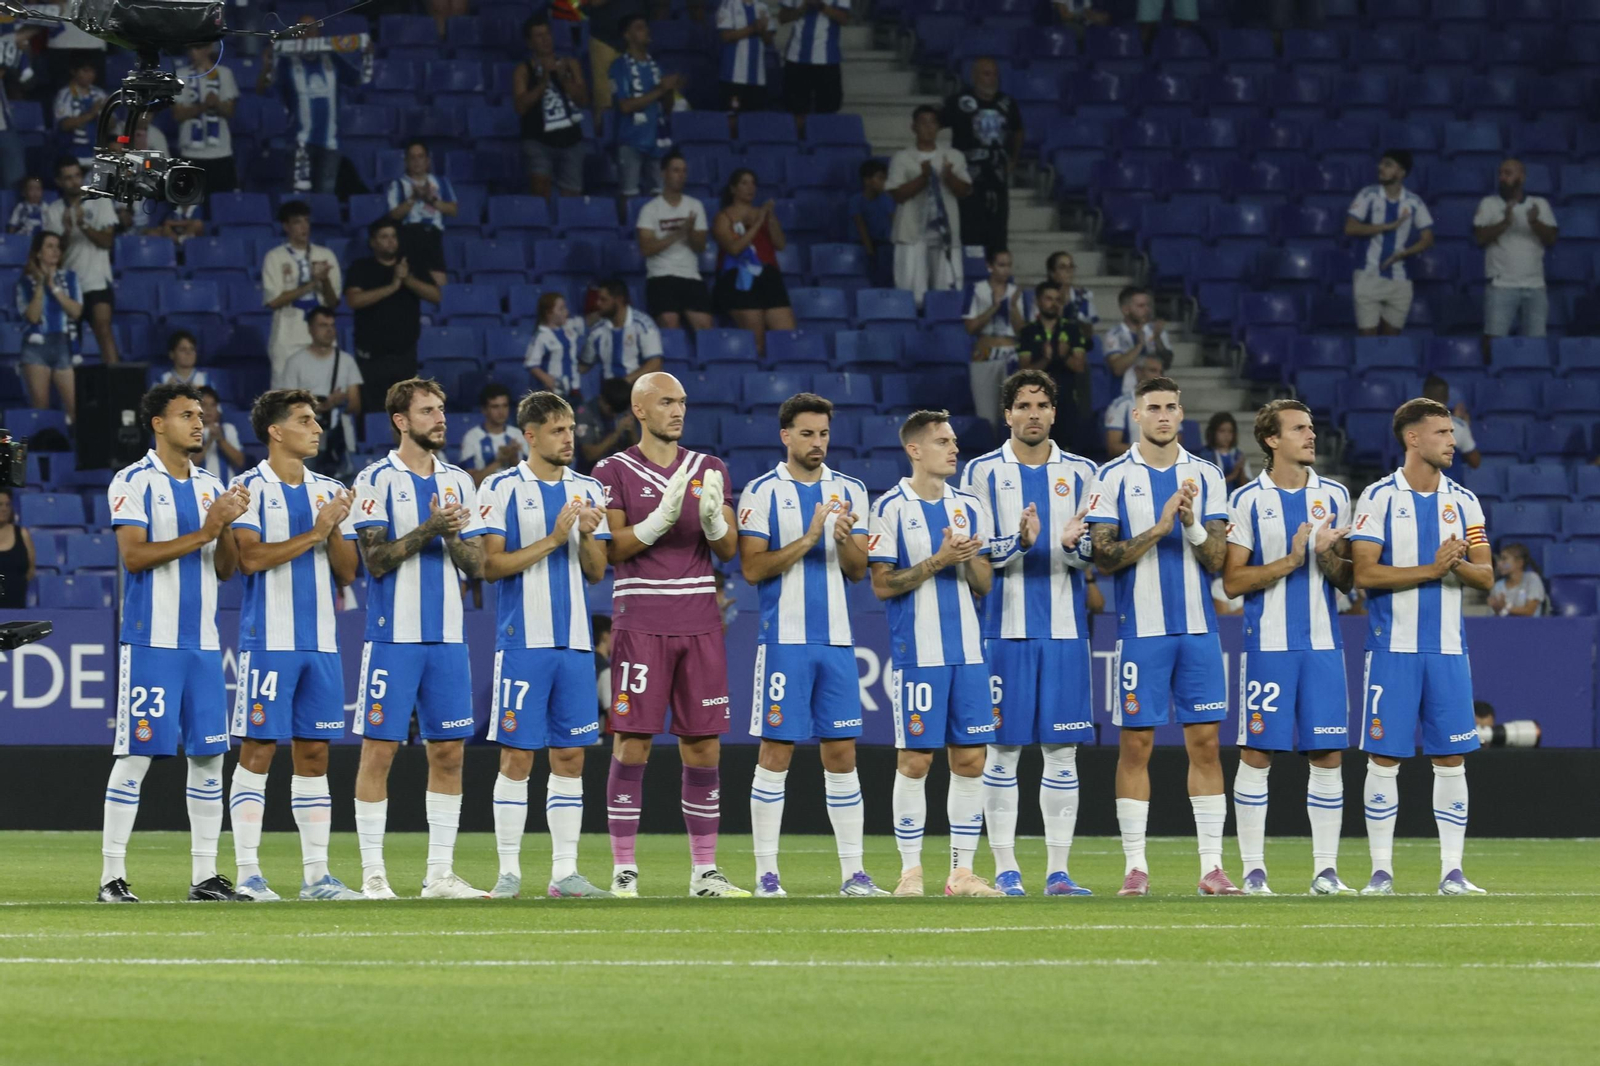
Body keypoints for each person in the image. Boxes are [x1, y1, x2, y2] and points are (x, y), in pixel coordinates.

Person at [590, 371, 747, 898]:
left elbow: (730, 554)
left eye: (682, 402)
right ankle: (623, 870)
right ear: (639, 410)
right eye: (665, 402)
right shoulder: (611, 469)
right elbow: (610, 549)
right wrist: (658, 521)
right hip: (640, 622)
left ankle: (705, 871)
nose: (678, 411)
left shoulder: (710, 467)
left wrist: (715, 523)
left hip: (700, 621)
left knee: (703, 747)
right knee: (632, 744)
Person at [98, 382, 251, 903]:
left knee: (209, 759)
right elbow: (134, 557)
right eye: (186, 414)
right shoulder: (133, 480)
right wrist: (208, 530)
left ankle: (205, 877)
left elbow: (228, 570)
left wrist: (225, 527)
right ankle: (111, 878)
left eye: (201, 414)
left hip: (203, 646)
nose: (199, 422)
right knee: (137, 756)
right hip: (152, 642)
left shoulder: (212, 485)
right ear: (158, 424)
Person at [1086, 375, 1238, 897]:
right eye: (1153, 408)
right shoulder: (1110, 478)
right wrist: (1159, 525)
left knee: (1206, 744)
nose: (1164, 416)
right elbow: (1104, 557)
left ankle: (1213, 868)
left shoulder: (1207, 474)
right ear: (1136, 415)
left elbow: (1217, 559)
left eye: (1172, 407)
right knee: (1137, 746)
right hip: (1141, 632)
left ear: (1182, 411)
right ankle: (1135, 867)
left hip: (1198, 630)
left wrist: (1192, 525)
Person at [736, 392, 888, 898]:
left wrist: (844, 537)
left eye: (823, 433)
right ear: (785, 436)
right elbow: (753, 568)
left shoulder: (851, 490)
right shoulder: (760, 493)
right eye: (807, 433)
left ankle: (854, 874)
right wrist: (810, 535)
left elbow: (857, 571)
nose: (817, 442)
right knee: (776, 751)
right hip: (785, 641)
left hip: (837, 643)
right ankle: (765, 873)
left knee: (842, 753)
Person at [960, 370, 1099, 896]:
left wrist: (1070, 546)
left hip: (1065, 631)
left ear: (1054, 413)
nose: (1034, 413)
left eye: (1043, 404)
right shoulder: (981, 473)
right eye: (1024, 405)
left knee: (1062, 753)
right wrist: (1017, 541)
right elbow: (971, 552)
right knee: (1005, 750)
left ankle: (1058, 871)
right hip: (1002, 629)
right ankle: (1006, 868)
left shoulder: (1085, 472)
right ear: (1008, 414)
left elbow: (1096, 554)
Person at [350, 379, 489, 900]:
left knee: (449, 752)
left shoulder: (460, 481)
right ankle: (373, 874)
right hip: (394, 637)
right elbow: (376, 560)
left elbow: (477, 565)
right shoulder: (375, 479)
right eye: (429, 410)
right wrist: (431, 527)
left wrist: (453, 535)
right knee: (379, 751)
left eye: (442, 408)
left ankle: (439, 875)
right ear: (401, 421)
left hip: (449, 639)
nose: (441, 418)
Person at [1349, 397, 1493, 895]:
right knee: (1384, 759)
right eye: (1442, 433)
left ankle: (1452, 871)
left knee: (1452, 759)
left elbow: (1487, 577)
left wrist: (1454, 565)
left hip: (1450, 651)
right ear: (1413, 438)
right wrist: (1430, 570)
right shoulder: (1378, 497)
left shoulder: (1465, 502)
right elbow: (1364, 572)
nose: (1453, 441)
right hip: (1393, 650)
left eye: (1452, 433)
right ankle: (1380, 872)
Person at [225, 389, 363, 902]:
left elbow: (347, 572)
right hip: (270, 641)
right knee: (258, 749)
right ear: (276, 432)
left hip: (321, 644)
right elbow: (251, 559)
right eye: (305, 420)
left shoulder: (331, 489)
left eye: (317, 420)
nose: (317, 428)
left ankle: (316, 877)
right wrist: (318, 530)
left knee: (314, 755)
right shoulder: (247, 488)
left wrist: (331, 530)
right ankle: (248, 874)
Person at [478, 390, 615, 899]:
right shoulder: (501, 488)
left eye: (572, 429)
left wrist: (583, 536)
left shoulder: (588, 489)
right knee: (517, 758)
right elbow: (491, 566)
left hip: (576, 645)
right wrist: (555, 539)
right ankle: (509, 872)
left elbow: (598, 572)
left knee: (571, 759)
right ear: (530, 435)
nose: (569, 438)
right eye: (558, 430)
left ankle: (565, 873)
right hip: (523, 643)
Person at [1221, 399, 1358, 896]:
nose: (1311, 435)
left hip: (1324, 645)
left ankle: (1326, 871)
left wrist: (1326, 558)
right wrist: (1292, 558)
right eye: (1299, 428)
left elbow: (1349, 580)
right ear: (1272, 440)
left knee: (1327, 754)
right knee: (1258, 752)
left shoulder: (1338, 496)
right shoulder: (1248, 501)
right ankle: (1254, 871)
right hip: (1270, 647)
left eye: (1312, 426)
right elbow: (1233, 582)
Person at [868, 409, 1002, 897]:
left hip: (968, 651)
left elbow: (986, 583)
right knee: (916, 761)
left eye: (954, 440)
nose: (954, 449)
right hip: (918, 652)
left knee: (970, 761)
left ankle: (961, 873)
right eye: (943, 441)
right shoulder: (888, 508)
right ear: (914, 450)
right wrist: (939, 560)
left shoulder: (970, 505)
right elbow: (883, 585)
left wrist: (966, 562)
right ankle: (910, 872)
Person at [257, 21, 374, 194]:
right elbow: (263, 89)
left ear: (319, 34)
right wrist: (267, 65)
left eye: (312, 29)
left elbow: (360, 80)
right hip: (299, 144)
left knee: (325, 197)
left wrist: (367, 56)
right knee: (297, 195)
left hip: (330, 143)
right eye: (302, 29)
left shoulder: (332, 58)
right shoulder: (286, 63)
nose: (307, 33)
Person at [345, 217, 439, 417]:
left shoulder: (410, 265)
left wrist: (407, 279)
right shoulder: (361, 267)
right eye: (384, 237)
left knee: (405, 414)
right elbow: (354, 300)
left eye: (393, 236)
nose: (390, 241)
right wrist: (393, 286)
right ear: (373, 242)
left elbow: (435, 295)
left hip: (404, 356)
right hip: (371, 358)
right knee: (373, 413)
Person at [1475, 158, 1559, 360]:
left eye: (1508, 173)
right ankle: (1492, 379)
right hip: (1501, 284)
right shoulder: (1489, 204)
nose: (1502, 177)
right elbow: (1479, 238)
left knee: (1536, 344)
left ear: (1522, 177)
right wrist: (1505, 221)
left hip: (1535, 285)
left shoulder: (1539, 204)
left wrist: (1534, 222)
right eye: (1501, 173)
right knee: (1493, 342)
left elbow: (1551, 239)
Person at [940, 57, 1023, 259]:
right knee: (970, 231)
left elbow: (1018, 131)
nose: (991, 78)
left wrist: (1013, 160)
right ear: (974, 76)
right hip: (967, 181)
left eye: (995, 74)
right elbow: (935, 125)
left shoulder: (1007, 102)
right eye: (986, 73)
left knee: (997, 233)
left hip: (997, 180)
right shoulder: (959, 102)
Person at [888, 106, 971, 307]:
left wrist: (949, 176)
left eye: (933, 122)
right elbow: (897, 195)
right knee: (911, 295)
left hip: (945, 233)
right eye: (923, 122)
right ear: (913, 127)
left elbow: (966, 191)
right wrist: (924, 178)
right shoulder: (902, 157)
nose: (928, 127)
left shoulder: (953, 156)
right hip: (911, 232)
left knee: (945, 295)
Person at [1345, 149, 1434, 337]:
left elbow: (1428, 238)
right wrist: (1387, 226)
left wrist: (1403, 254)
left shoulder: (1414, 202)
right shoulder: (1368, 194)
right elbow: (1350, 228)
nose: (1380, 168)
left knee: (1390, 342)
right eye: (1381, 163)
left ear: (1401, 172)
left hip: (1400, 281)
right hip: (1368, 276)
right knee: (1368, 341)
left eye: (1387, 164)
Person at [43, 156, 118, 365]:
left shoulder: (100, 200)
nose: (74, 181)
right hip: (69, 283)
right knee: (71, 341)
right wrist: (66, 232)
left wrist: (83, 225)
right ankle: (74, 395)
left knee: (103, 329)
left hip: (97, 279)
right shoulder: (54, 211)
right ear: (59, 182)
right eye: (68, 178)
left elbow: (107, 242)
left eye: (77, 176)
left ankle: (115, 387)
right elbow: (53, 257)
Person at [712, 168, 795, 357]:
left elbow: (780, 244)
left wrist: (769, 217)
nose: (750, 187)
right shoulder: (723, 217)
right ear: (733, 189)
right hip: (738, 278)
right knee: (756, 342)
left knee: (786, 338)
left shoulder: (763, 214)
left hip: (768, 276)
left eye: (753, 183)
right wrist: (757, 223)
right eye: (744, 183)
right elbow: (734, 248)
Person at [262, 201, 341, 386]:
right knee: (284, 399)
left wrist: (324, 280)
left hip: (320, 336)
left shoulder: (326, 255)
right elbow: (273, 301)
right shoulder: (275, 257)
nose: (304, 227)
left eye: (307, 221)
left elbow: (333, 302)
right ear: (286, 226)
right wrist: (311, 284)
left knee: (321, 393)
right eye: (298, 222)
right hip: (287, 337)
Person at [278, 307, 364, 471]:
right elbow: (286, 407)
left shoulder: (346, 361)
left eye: (332, 325)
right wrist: (323, 406)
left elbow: (356, 404)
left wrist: (341, 402)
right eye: (323, 325)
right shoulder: (295, 362)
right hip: (305, 438)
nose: (329, 330)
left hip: (340, 437)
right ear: (310, 329)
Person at [514, 14, 590, 199]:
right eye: (539, 36)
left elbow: (583, 100)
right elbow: (520, 107)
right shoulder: (524, 69)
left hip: (571, 139)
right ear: (530, 42)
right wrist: (541, 85)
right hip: (537, 139)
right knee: (540, 191)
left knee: (572, 196)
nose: (545, 39)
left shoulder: (570, 64)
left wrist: (565, 80)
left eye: (547, 34)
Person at [1018, 280, 1095, 457]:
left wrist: (1064, 355)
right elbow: (1024, 371)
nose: (1053, 303)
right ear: (1038, 301)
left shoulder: (1072, 329)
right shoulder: (1027, 332)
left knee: (1067, 453)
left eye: (1057, 299)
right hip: (1036, 400)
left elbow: (1080, 366)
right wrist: (1046, 359)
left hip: (1066, 399)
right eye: (1048, 299)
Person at [638, 150, 713, 331]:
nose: (681, 176)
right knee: (669, 324)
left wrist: (690, 233)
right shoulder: (650, 209)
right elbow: (646, 248)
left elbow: (700, 246)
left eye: (684, 171)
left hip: (690, 276)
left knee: (705, 327)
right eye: (676, 170)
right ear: (664, 173)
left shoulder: (695, 206)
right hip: (661, 276)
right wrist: (679, 233)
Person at [611, 16, 681, 198]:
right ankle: (626, 227)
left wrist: (668, 92)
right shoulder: (619, 67)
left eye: (646, 27)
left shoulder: (656, 66)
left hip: (657, 141)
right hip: (631, 140)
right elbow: (625, 106)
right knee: (629, 196)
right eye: (639, 28)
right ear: (627, 35)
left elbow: (667, 108)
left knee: (660, 198)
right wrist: (660, 90)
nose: (647, 31)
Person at [16, 229, 81, 418]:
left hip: (63, 344)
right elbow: (33, 317)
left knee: (75, 408)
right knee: (41, 409)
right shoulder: (25, 282)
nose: (56, 251)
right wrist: (40, 284)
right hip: (36, 347)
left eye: (58, 247)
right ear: (38, 252)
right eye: (49, 246)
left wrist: (53, 286)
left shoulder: (70, 277)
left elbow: (76, 311)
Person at [964, 247, 1025, 431]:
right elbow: (970, 327)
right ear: (990, 266)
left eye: (1008, 265)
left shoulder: (1015, 292)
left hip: (1010, 352)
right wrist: (994, 307)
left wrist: (1013, 307)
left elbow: (1022, 330)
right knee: (986, 413)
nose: (1006, 269)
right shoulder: (976, 290)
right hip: (984, 352)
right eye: (1001, 265)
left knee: (1012, 412)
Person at [384, 140, 455, 287]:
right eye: (412, 157)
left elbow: (453, 210)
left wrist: (432, 200)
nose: (417, 161)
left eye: (420, 157)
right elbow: (394, 216)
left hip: (433, 235)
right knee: (410, 280)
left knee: (439, 282)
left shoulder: (441, 182)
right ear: (406, 161)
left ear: (427, 160)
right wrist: (412, 199)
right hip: (409, 234)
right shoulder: (397, 185)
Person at [172, 41, 240, 194]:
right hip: (190, 153)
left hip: (221, 153)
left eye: (196, 47)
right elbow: (178, 114)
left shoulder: (224, 73)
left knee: (222, 205)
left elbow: (230, 112)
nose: (192, 52)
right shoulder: (180, 74)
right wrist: (203, 106)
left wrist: (216, 103)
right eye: (190, 47)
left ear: (208, 48)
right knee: (191, 203)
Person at [778, 0, 850, 134]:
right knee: (796, 110)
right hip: (797, 56)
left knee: (828, 110)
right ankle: (798, 147)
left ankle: (822, 145)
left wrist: (821, 6)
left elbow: (844, 19)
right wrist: (803, 8)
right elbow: (782, 18)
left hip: (827, 58)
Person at [584, 277, 665, 383]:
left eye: (603, 299)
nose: (598, 304)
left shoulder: (643, 324)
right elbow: (584, 365)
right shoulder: (597, 331)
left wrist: (625, 382)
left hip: (638, 390)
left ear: (619, 300)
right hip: (609, 393)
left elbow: (655, 362)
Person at [1103, 286, 1172, 397]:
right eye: (1141, 306)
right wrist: (1139, 346)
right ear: (1125, 309)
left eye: (1147, 305)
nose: (1147, 310)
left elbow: (1167, 363)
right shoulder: (1114, 335)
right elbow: (1117, 369)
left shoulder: (1156, 331)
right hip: (1124, 396)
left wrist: (1158, 340)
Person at [716, 0, 776, 123]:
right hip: (733, 75)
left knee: (755, 121)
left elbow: (768, 40)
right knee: (732, 119)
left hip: (757, 77)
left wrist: (762, 30)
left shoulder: (762, 7)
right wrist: (753, 28)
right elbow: (726, 36)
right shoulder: (728, 4)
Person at [460, 383, 530, 486]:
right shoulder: (472, 437)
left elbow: (529, 479)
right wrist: (499, 462)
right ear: (484, 410)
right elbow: (471, 483)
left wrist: (513, 459)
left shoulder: (518, 435)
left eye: (505, 406)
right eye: (495, 407)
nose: (501, 412)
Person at [1103, 352, 1166, 459]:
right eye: (1153, 371)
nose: (1158, 376)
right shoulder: (1120, 405)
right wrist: (1147, 451)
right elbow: (1113, 447)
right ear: (1138, 372)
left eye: (1161, 372)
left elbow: (1177, 443)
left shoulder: (1169, 406)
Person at [526, 291, 589, 399]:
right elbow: (531, 363)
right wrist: (547, 379)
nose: (566, 312)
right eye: (561, 309)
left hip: (574, 388)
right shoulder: (542, 336)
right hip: (555, 392)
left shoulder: (569, 329)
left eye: (565, 308)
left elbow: (589, 321)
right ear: (549, 313)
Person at [575, 376, 640, 469]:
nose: (614, 416)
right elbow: (590, 455)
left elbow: (638, 455)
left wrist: (632, 431)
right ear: (604, 402)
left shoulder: (623, 407)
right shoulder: (585, 413)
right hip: (591, 473)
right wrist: (617, 433)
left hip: (620, 472)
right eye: (611, 412)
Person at [53, 57, 107, 168]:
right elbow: (64, 125)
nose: (90, 75)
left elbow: (112, 124)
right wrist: (91, 114)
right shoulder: (65, 94)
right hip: (72, 155)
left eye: (93, 71)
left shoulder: (100, 94)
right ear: (74, 71)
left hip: (96, 155)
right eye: (85, 71)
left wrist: (105, 113)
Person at [0, 27, 35, 194]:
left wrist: (22, 52)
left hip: (3, 127)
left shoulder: (3, 43)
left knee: (15, 182)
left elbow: (28, 82)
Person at [848, 159, 893, 285]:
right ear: (867, 180)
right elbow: (861, 226)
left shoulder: (887, 199)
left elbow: (893, 220)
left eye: (884, 178)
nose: (883, 182)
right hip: (863, 244)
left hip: (883, 243)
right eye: (880, 178)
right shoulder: (856, 200)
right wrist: (870, 250)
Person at [1422, 375, 1479, 470]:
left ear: (1423, 397)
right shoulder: (1459, 427)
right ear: (1447, 397)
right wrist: (1466, 428)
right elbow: (1475, 462)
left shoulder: (1409, 424)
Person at [1038, 251, 1098, 327]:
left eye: (1071, 266)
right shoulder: (1042, 295)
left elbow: (1088, 332)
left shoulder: (1084, 295)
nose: (1069, 271)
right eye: (1063, 267)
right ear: (1052, 273)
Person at [1488, 543, 1546, 617]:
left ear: (1519, 563)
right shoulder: (1498, 586)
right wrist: (1496, 609)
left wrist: (1504, 607)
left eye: (1504, 559)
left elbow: (1530, 611)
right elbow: (1498, 616)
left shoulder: (1532, 579)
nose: (1499, 563)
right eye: (1500, 559)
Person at [0, 488, 36, 609]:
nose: (4, 509)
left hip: (16, 607)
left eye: (7, 505)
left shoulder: (22, 534)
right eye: (0, 504)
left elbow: (31, 569)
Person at [1201, 411, 1249, 490]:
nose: (1226, 435)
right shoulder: (1205, 455)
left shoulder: (1238, 455)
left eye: (1230, 431)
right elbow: (1208, 486)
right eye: (1222, 431)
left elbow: (1245, 487)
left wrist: (1241, 471)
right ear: (1213, 433)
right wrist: (1233, 475)